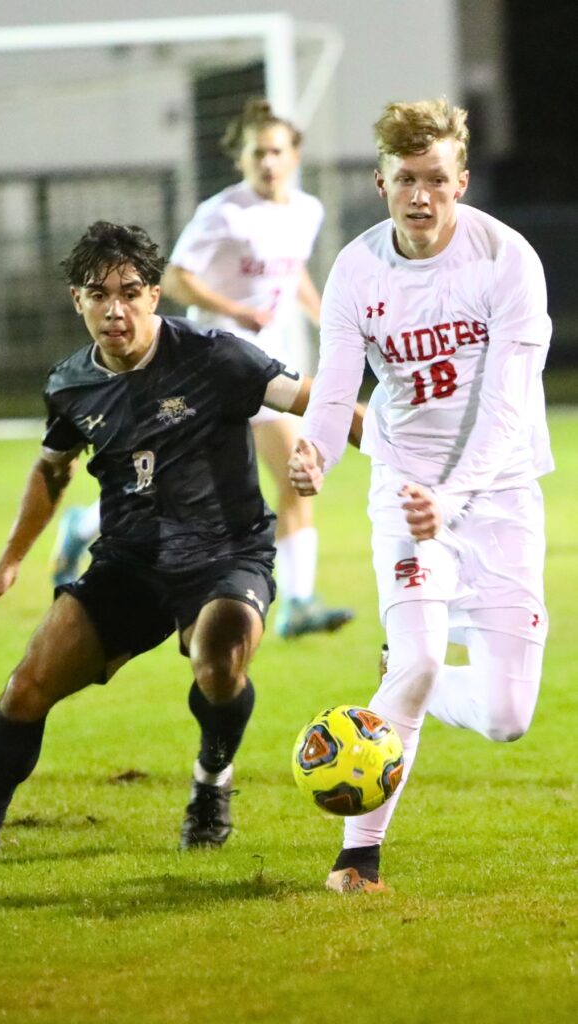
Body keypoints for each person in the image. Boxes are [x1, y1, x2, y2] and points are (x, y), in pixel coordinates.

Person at [0, 221, 362, 863]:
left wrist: (385, 459)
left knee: (220, 660)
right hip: (130, 563)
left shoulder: (215, 356)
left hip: (226, 556)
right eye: (98, 293)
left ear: (154, 296)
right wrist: (10, 563)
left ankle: (211, 779)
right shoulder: (70, 384)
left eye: (130, 291)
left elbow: (318, 400)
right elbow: (51, 469)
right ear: (76, 300)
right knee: (28, 685)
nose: (115, 308)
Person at [289, 98, 553, 893]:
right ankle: (356, 858)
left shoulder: (507, 261)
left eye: (435, 179)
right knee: (417, 660)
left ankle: (415, 678)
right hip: (405, 494)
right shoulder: (356, 272)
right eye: (405, 178)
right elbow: (336, 393)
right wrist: (316, 454)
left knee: (507, 717)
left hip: (499, 497)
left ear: (460, 182)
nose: (420, 195)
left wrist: (457, 496)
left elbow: (507, 407)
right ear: (380, 182)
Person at [53, 97, 355, 640]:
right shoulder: (224, 212)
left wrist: (328, 319)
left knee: (294, 473)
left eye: (277, 152)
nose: (267, 162)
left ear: (295, 155)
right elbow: (177, 277)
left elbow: (293, 277)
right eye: (256, 152)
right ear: (240, 157)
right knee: (181, 490)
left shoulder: (307, 210)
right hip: (210, 371)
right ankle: (86, 523)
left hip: (266, 370)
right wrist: (238, 311)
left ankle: (300, 600)